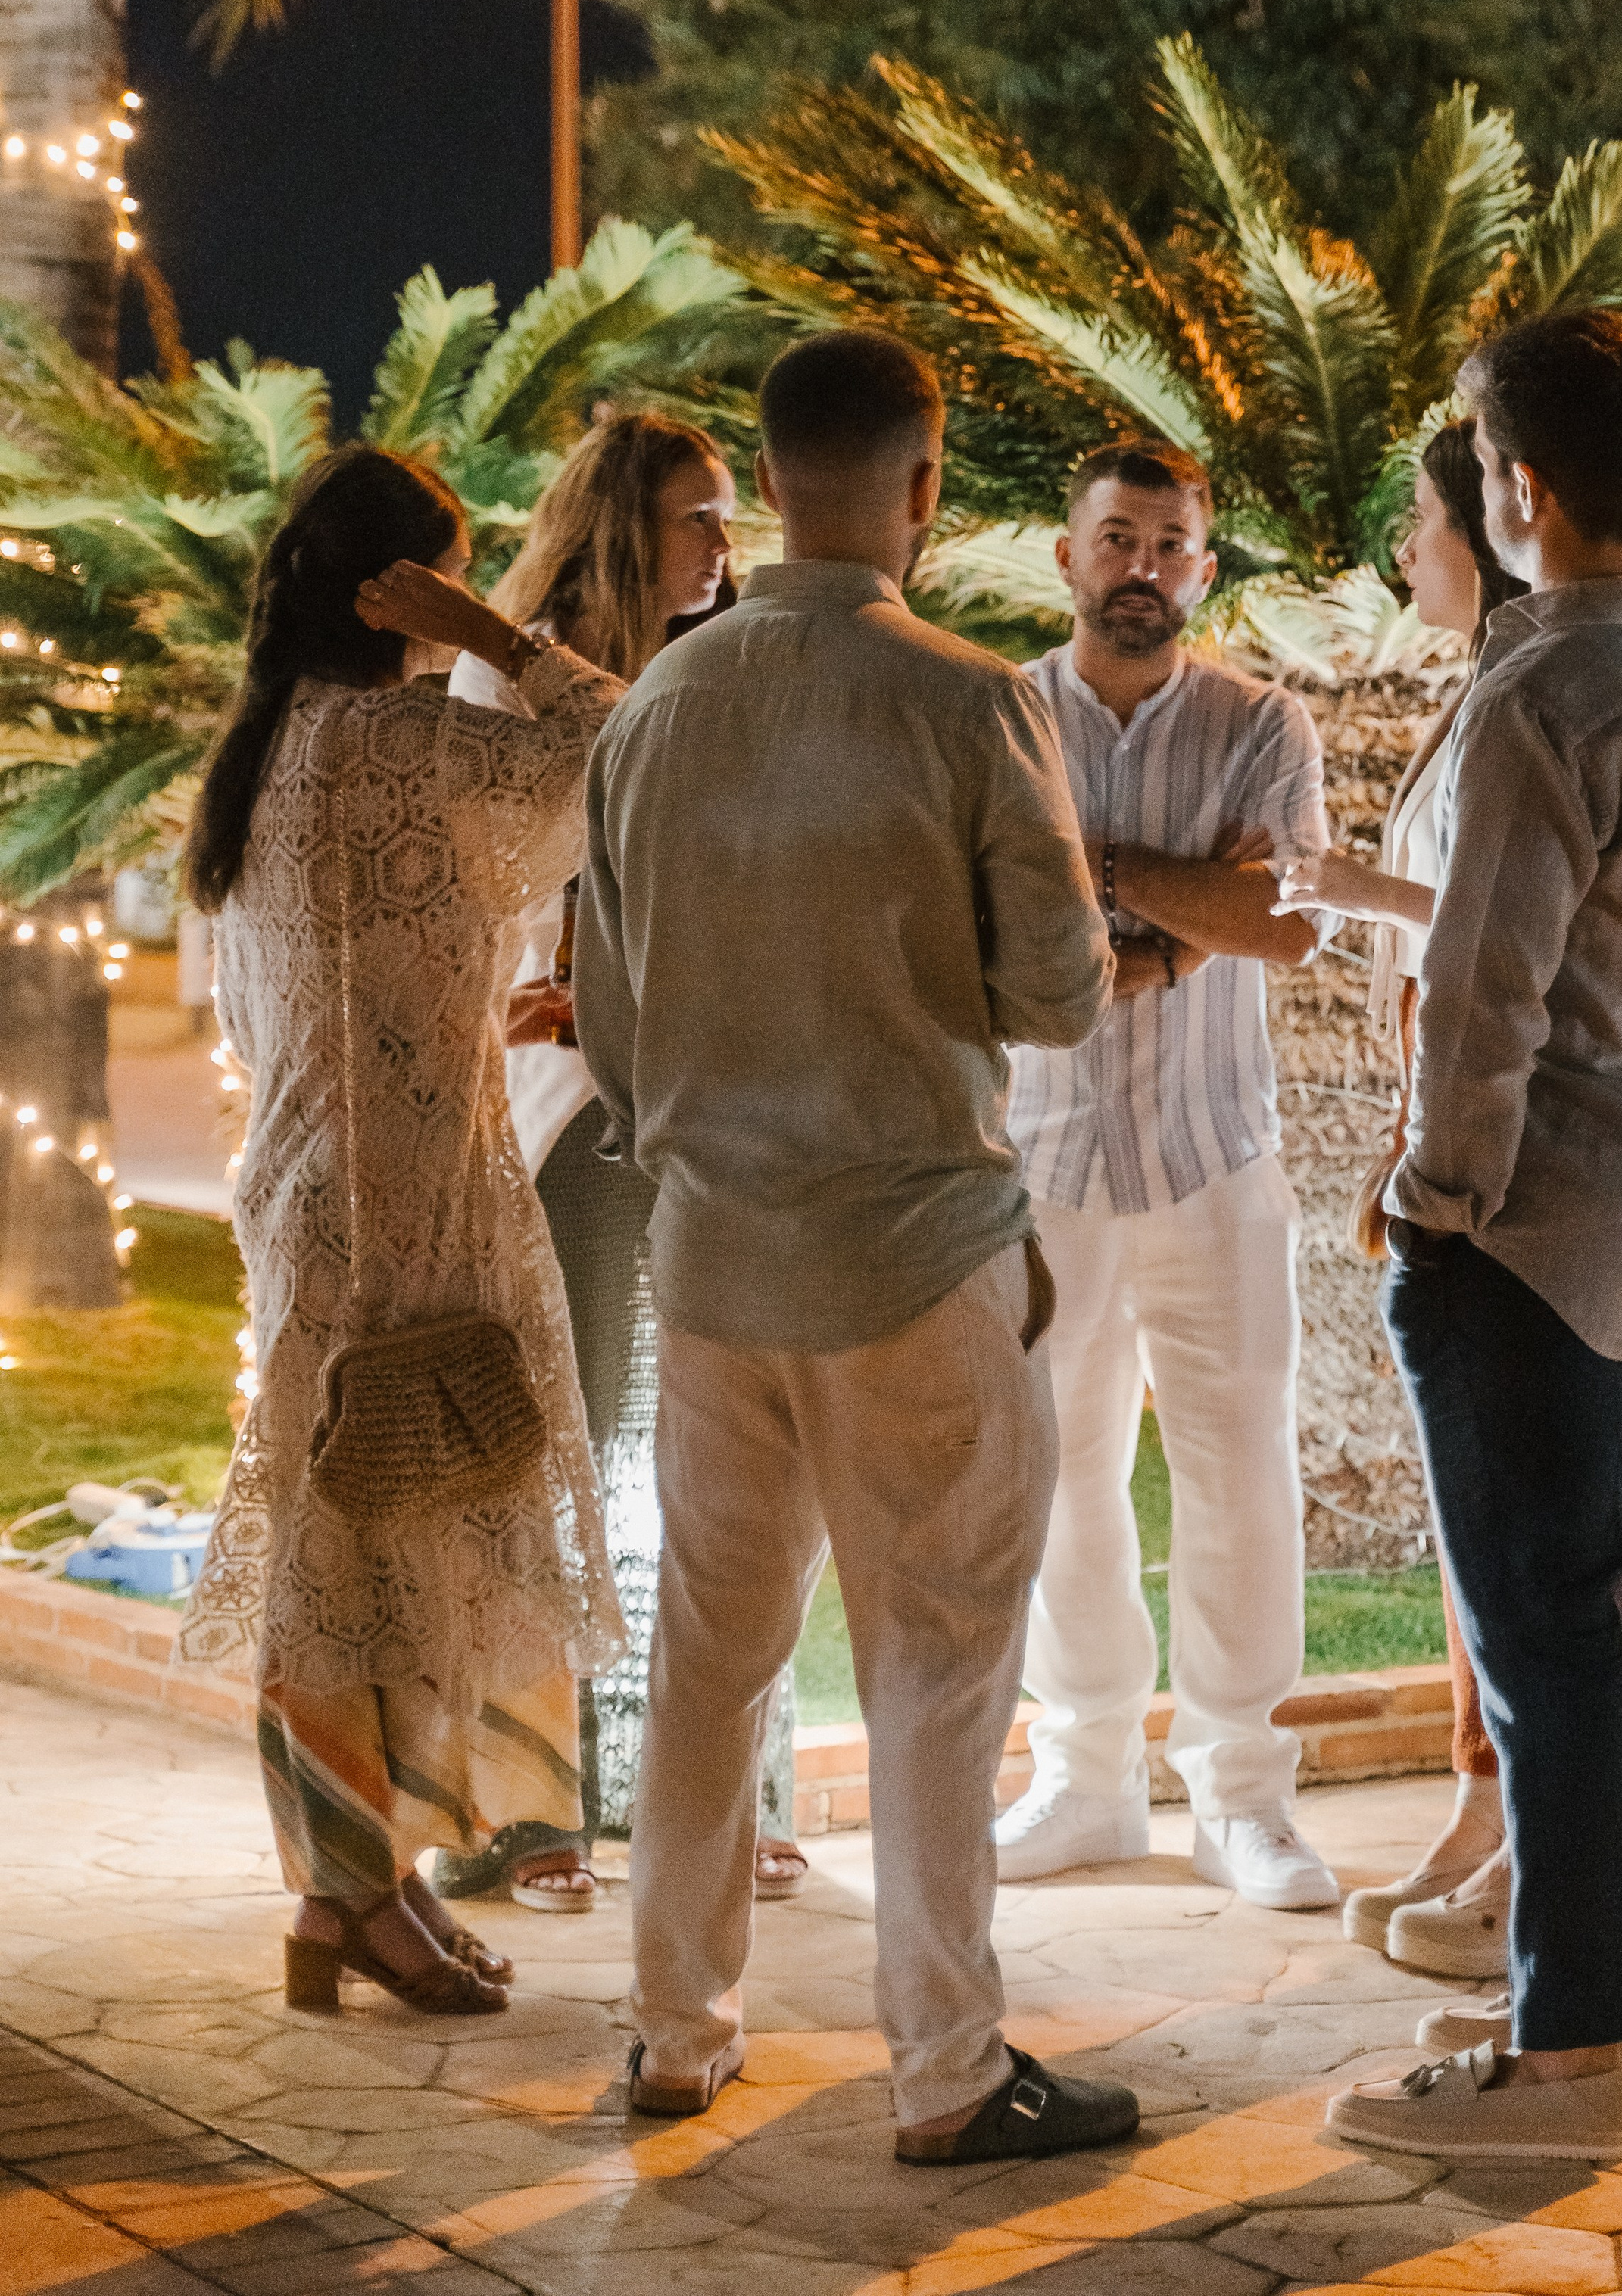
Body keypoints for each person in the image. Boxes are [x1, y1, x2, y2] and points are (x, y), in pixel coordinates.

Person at [575, 328, 1140, 2164]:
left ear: (767, 472)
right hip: (912, 1252)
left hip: (715, 1258)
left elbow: (605, 1020)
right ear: (922, 483)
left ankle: (673, 2031)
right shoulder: (972, 698)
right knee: (937, 1662)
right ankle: (950, 2067)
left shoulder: (653, 707)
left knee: (709, 1663)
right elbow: (1058, 991)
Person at [1324, 311, 1622, 2168]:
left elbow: (1483, 992)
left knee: (1541, 1635)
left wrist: (1425, 1202)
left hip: (1528, 1232)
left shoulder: (1544, 698)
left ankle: (1562, 2068)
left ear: (1514, 485)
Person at [176, 446, 628, 2017]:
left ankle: (353, 1898)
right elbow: (618, 745)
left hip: (311, 1205)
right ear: (398, 587)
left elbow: (290, 999)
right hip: (413, 1211)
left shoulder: (267, 748)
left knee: (348, 1550)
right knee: (394, 1544)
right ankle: (358, 1901)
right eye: (449, 565)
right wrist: (503, 638)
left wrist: (442, 1019)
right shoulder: (404, 740)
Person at [444, 415, 808, 1905]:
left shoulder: (722, 673)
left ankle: (726, 1789)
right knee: (572, 1450)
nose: (723, 550)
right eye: (696, 520)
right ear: (613, 525)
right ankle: (525, 1812)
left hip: (716, 1103)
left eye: (729, 521)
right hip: (578, 1110)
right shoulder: (506, 669)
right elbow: (472, 884)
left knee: (729, 1460)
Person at [992, 439, 1341, 1911]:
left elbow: (1288, 922)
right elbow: (971, 907)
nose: (1142, 566)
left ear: (1204, 568)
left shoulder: (1264, 722)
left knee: (1237, 1469)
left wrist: (1105, 872)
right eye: (1115, 538)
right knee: (1049, 1474)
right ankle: (1079, 1783)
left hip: (1214, 1156)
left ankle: (1239, 1797)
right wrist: (1189, 896)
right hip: (1040, 1154)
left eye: (1170, 544)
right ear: (1067, 557)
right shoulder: (995, 717)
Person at [1278, 421, 1523, 1980]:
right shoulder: (1473, 692)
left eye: (1420, 521)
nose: (1401, 555)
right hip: (1435, 1117)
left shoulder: (1533, 700)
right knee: (1469, 1511)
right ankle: (1476, 1800)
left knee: (1507, 1505)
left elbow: (1522, 924)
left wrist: (1357, 898)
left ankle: (1517, 1828)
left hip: (1507, 1153)